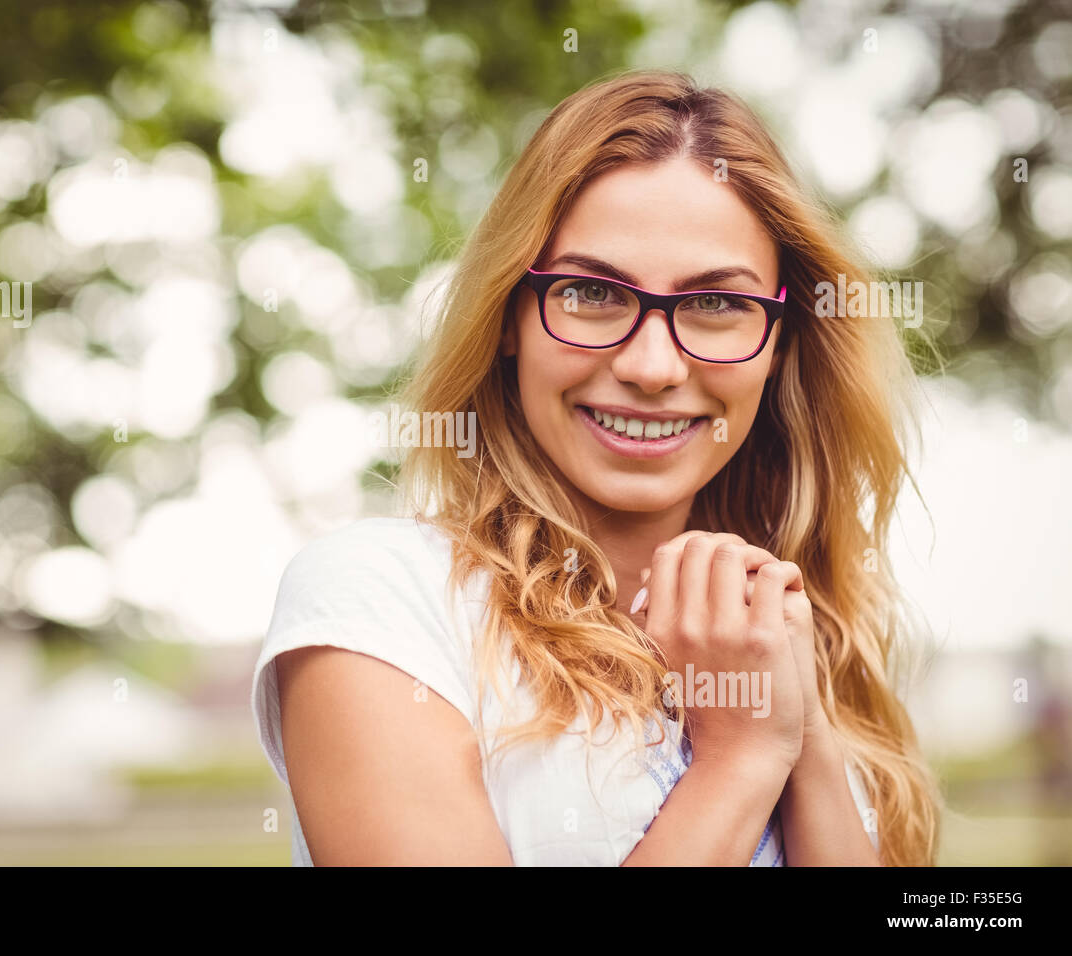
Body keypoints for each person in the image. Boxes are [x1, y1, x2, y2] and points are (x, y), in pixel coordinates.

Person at [251, 68, 942, 866]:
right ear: (511, 315)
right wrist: (741, 759)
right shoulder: (381, 598)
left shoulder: (795, 633)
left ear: (780, 342)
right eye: (590, 293)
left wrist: (803, 733)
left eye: (717, 304)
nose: (652, 365)